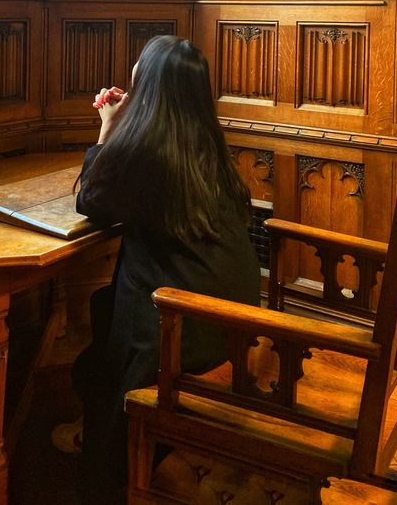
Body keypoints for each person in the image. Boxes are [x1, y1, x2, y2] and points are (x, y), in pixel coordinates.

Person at [71, 35, 261, 504]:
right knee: (104, 309)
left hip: (180, 331)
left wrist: (108, 129)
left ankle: (105, 471)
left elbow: (90, 200)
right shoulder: (209, 147)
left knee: (96, 356)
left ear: (147, 87)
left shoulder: (147, 152)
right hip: (231, 324)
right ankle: (109, 442)